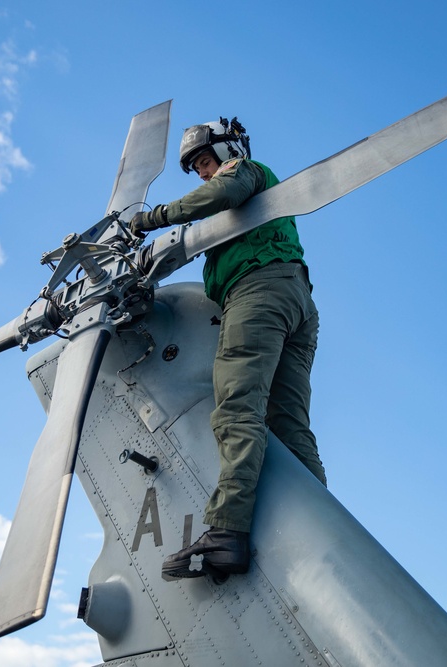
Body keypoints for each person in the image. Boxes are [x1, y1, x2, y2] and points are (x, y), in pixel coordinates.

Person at [130, 117, 326, 580]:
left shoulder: (243, 171)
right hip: (296, 300)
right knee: (289, 424)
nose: (203, 173)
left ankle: (227, 530)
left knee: (236, 409)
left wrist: (153, 219)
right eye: (197, 168)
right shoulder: (244, 210)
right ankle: (317, 531)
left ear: (226, 149)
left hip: (258, 292)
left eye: (203, 161)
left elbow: (220, 192)